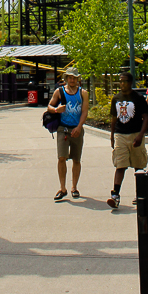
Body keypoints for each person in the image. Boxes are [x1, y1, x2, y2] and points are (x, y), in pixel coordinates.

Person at [107, 72, 148, 209]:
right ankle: (115, 195)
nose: (122, 84)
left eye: (125, 81)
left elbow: (146, 117)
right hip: (121, 134)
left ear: (130, 82)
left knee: (138, 166)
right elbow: (114, 118)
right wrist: (112, 135)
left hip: (135, 133)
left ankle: (140, 194)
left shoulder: (138, 98)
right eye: (120, 81)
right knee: (120, 165)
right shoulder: (116, 98)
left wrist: (140, 135)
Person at [47, 66, 89, 201]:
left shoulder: (83, 93)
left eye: (74, 78)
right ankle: (62, 188)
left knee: (76, 159)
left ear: (78, 79)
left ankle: (74, 187)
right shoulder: (59, 92)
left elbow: (84, 112)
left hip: (77, 129)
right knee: (61, 158)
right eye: (70, 77)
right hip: (62, 129)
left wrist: (79, 126)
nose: (72, 80)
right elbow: (49, 106)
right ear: (66, 78)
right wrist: (56, 110)